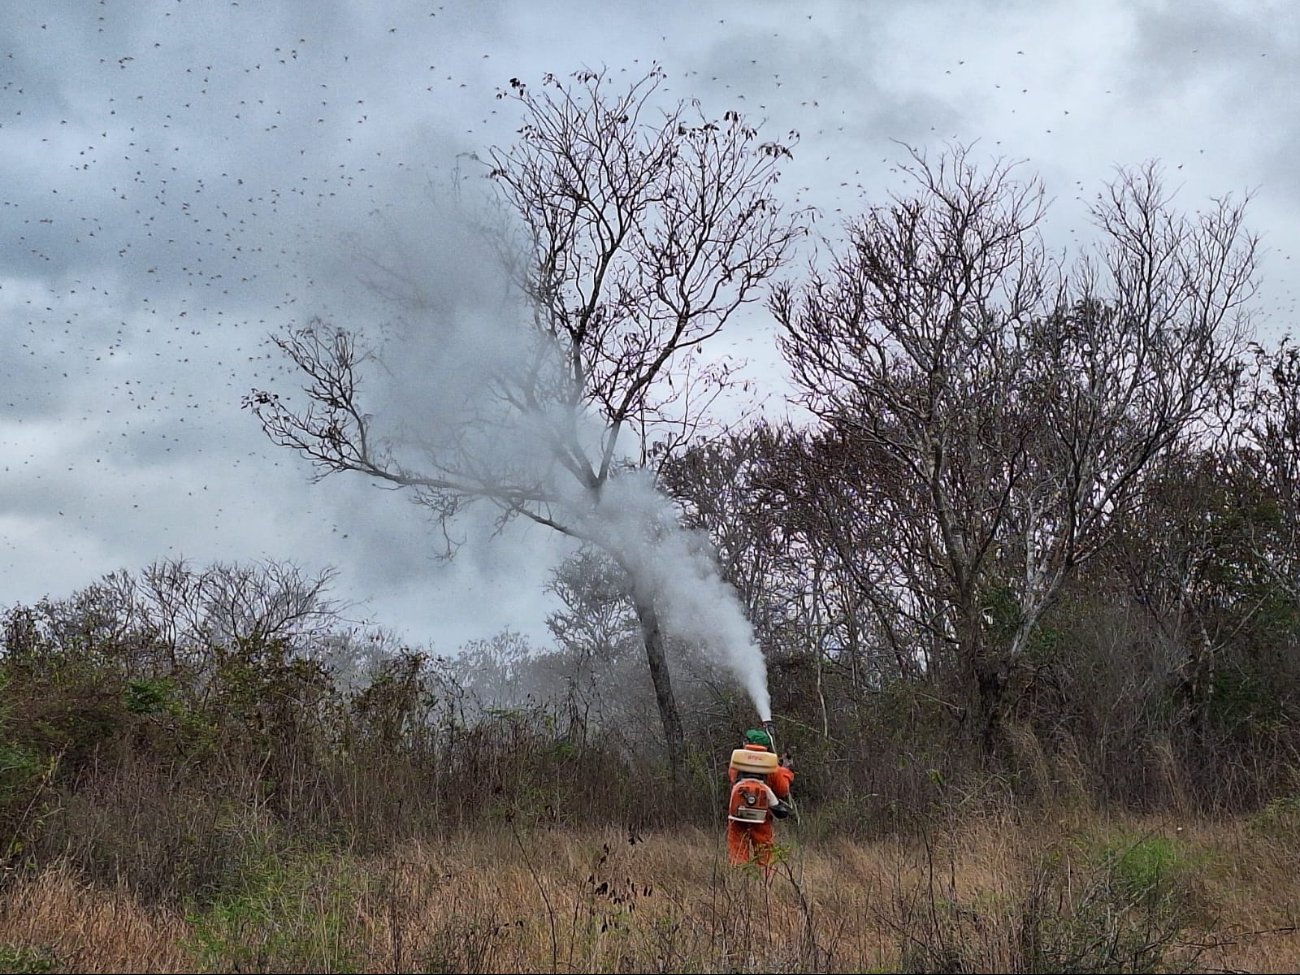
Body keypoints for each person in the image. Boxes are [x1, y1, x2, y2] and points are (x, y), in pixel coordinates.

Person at [726, 728, 794, 874]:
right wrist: (785, 770)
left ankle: (739, 882)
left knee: (737, 849)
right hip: (762, 815)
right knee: (764, 851)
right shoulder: (772, 766)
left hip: (738, 811)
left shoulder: (736, 761)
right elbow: (783, 790)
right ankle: (763, 886)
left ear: (748, 743)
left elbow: (732, 778)